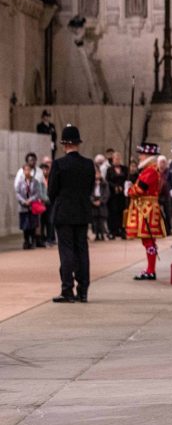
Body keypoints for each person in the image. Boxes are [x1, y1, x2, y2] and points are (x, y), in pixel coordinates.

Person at [48, 124, 95, 303]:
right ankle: (83, 291)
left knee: (66, 251)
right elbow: (90, 188)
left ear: (64, 144)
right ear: (77, 143)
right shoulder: (88, 164)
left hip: (64, 213)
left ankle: (67, 289)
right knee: (82, 250)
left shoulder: (59, 164)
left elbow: (52, 191)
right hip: (82, 211)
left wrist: (59, 202)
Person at [125, 143, 167, 280]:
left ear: (148, 155)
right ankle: (150, 268)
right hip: (147, 207)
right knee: (148, 240)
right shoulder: (150, 169)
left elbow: (140, 189)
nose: (140, 157)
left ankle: (151, 270)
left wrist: (129, 190)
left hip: (147, 209)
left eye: (141, 154)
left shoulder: (150, 170)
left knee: (148, 240)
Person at [16, 165, 42, 249]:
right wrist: (24, 201)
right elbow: (18, 193)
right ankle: (26, 241)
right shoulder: (20, 182)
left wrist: (30, 200)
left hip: (32, 206)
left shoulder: (35, 181)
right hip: (23, 206)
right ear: (23, 171)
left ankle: (33, 240)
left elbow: (37, 193)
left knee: (33, 224)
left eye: (28, 170)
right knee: (25, 225)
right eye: (25, 170)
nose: (27, 171)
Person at [105, 151, 128, 240]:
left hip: (122, 195)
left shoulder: (125, 169)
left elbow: (127, 179)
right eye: (115, 158)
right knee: (113, 213)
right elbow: (107, 180)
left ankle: (122, 230)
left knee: (122, 212)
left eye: (118, 158)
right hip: (113, 195)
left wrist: (122, 186)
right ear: (113, 159)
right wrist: (115, 186)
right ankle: (113, 231)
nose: (117, 160)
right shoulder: (109, 169)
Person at [90, 168, 110, 241]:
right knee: (95, 219)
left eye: (98, 173)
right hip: (94, 200)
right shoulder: (91, 183)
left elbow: (106, 193)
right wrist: (92, 201)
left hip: (101, 201)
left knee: (101, 219)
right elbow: (89, 193)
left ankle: (102, 234)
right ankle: (96, 234)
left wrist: (101, 201)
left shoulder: (104, 183)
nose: (97, 175)